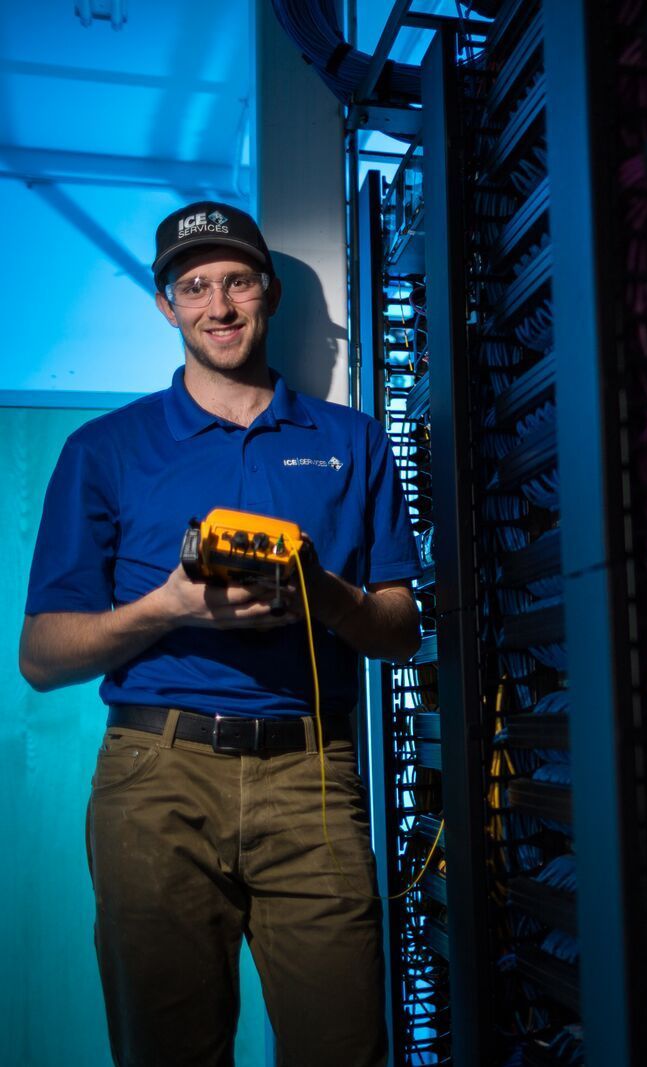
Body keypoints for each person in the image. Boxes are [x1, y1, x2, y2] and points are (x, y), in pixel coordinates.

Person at [18, 200, 420, 1067]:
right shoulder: (105, 449)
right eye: (193, 287)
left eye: (237, 281)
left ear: (268, 292)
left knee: (343, 1045)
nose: (220, 305)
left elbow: (401, 631)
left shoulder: (351, 442)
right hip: (155, 777)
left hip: (313, 771)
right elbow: (41, 656)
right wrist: (168, 607)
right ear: (167, 306)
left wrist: (325, 596)